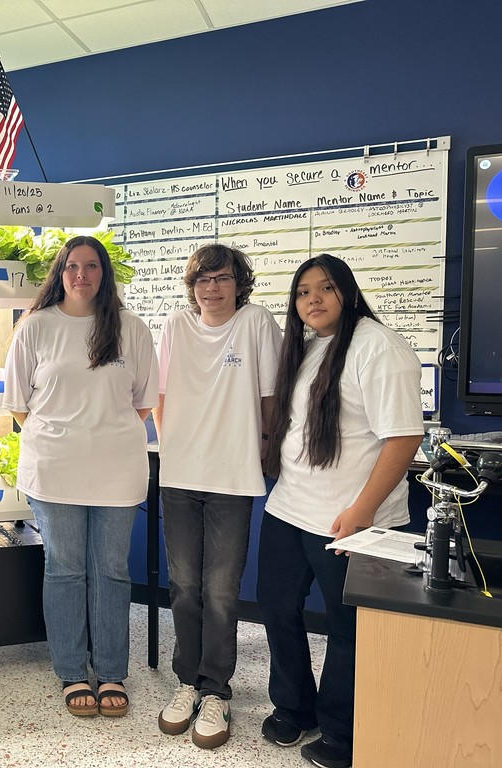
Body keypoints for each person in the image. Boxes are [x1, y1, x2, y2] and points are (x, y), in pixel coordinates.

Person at [256, 254, 423, 768]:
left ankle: (343, 732)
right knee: (277, 606)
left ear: (347, 293)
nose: (313, 299)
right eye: (303, 292)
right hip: (290, 507)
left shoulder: (380, 347)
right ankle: (295, 706)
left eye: (325, 288)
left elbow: (404, 437)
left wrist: (362, 510)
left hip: (354, 520)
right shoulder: (307, 347)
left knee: (348, 628)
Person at [3, 235, 158, 718]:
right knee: (65, 569)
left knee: (112, 570)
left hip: (117, 468)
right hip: (54, 470)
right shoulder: (35, 327)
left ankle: (111, 670)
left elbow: (144, 403)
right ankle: (72, 671)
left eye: (92, 266)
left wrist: (101, 438)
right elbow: (17, 404)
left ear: (104, 273)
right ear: (60, 272)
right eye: (73, 266)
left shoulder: (132, 329)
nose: (82, 275)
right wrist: (63, 440)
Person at [153, 244, 282, 749]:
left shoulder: (255, 323)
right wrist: (175, 448)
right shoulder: (175, 325)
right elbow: (160, 396)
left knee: (222, 589)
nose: (212, 288)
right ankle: (187, 682)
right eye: (203, 280)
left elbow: (270, 399)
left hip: (233, 477)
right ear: (192, 286)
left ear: (238, 283)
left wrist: (264, 450)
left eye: (222, 278)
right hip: (181, 477)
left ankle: (216, 690)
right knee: (184, 584)